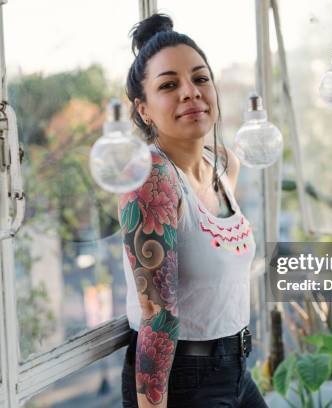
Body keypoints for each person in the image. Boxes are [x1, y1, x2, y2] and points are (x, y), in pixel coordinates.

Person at [118, 13, 268, 408]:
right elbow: (156, 313)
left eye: (200, 78)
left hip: (235, 368)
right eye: (169, 85)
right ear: (144, 109)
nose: (190, 92)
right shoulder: (150, 179)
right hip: (180, 381)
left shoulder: (223, 167)